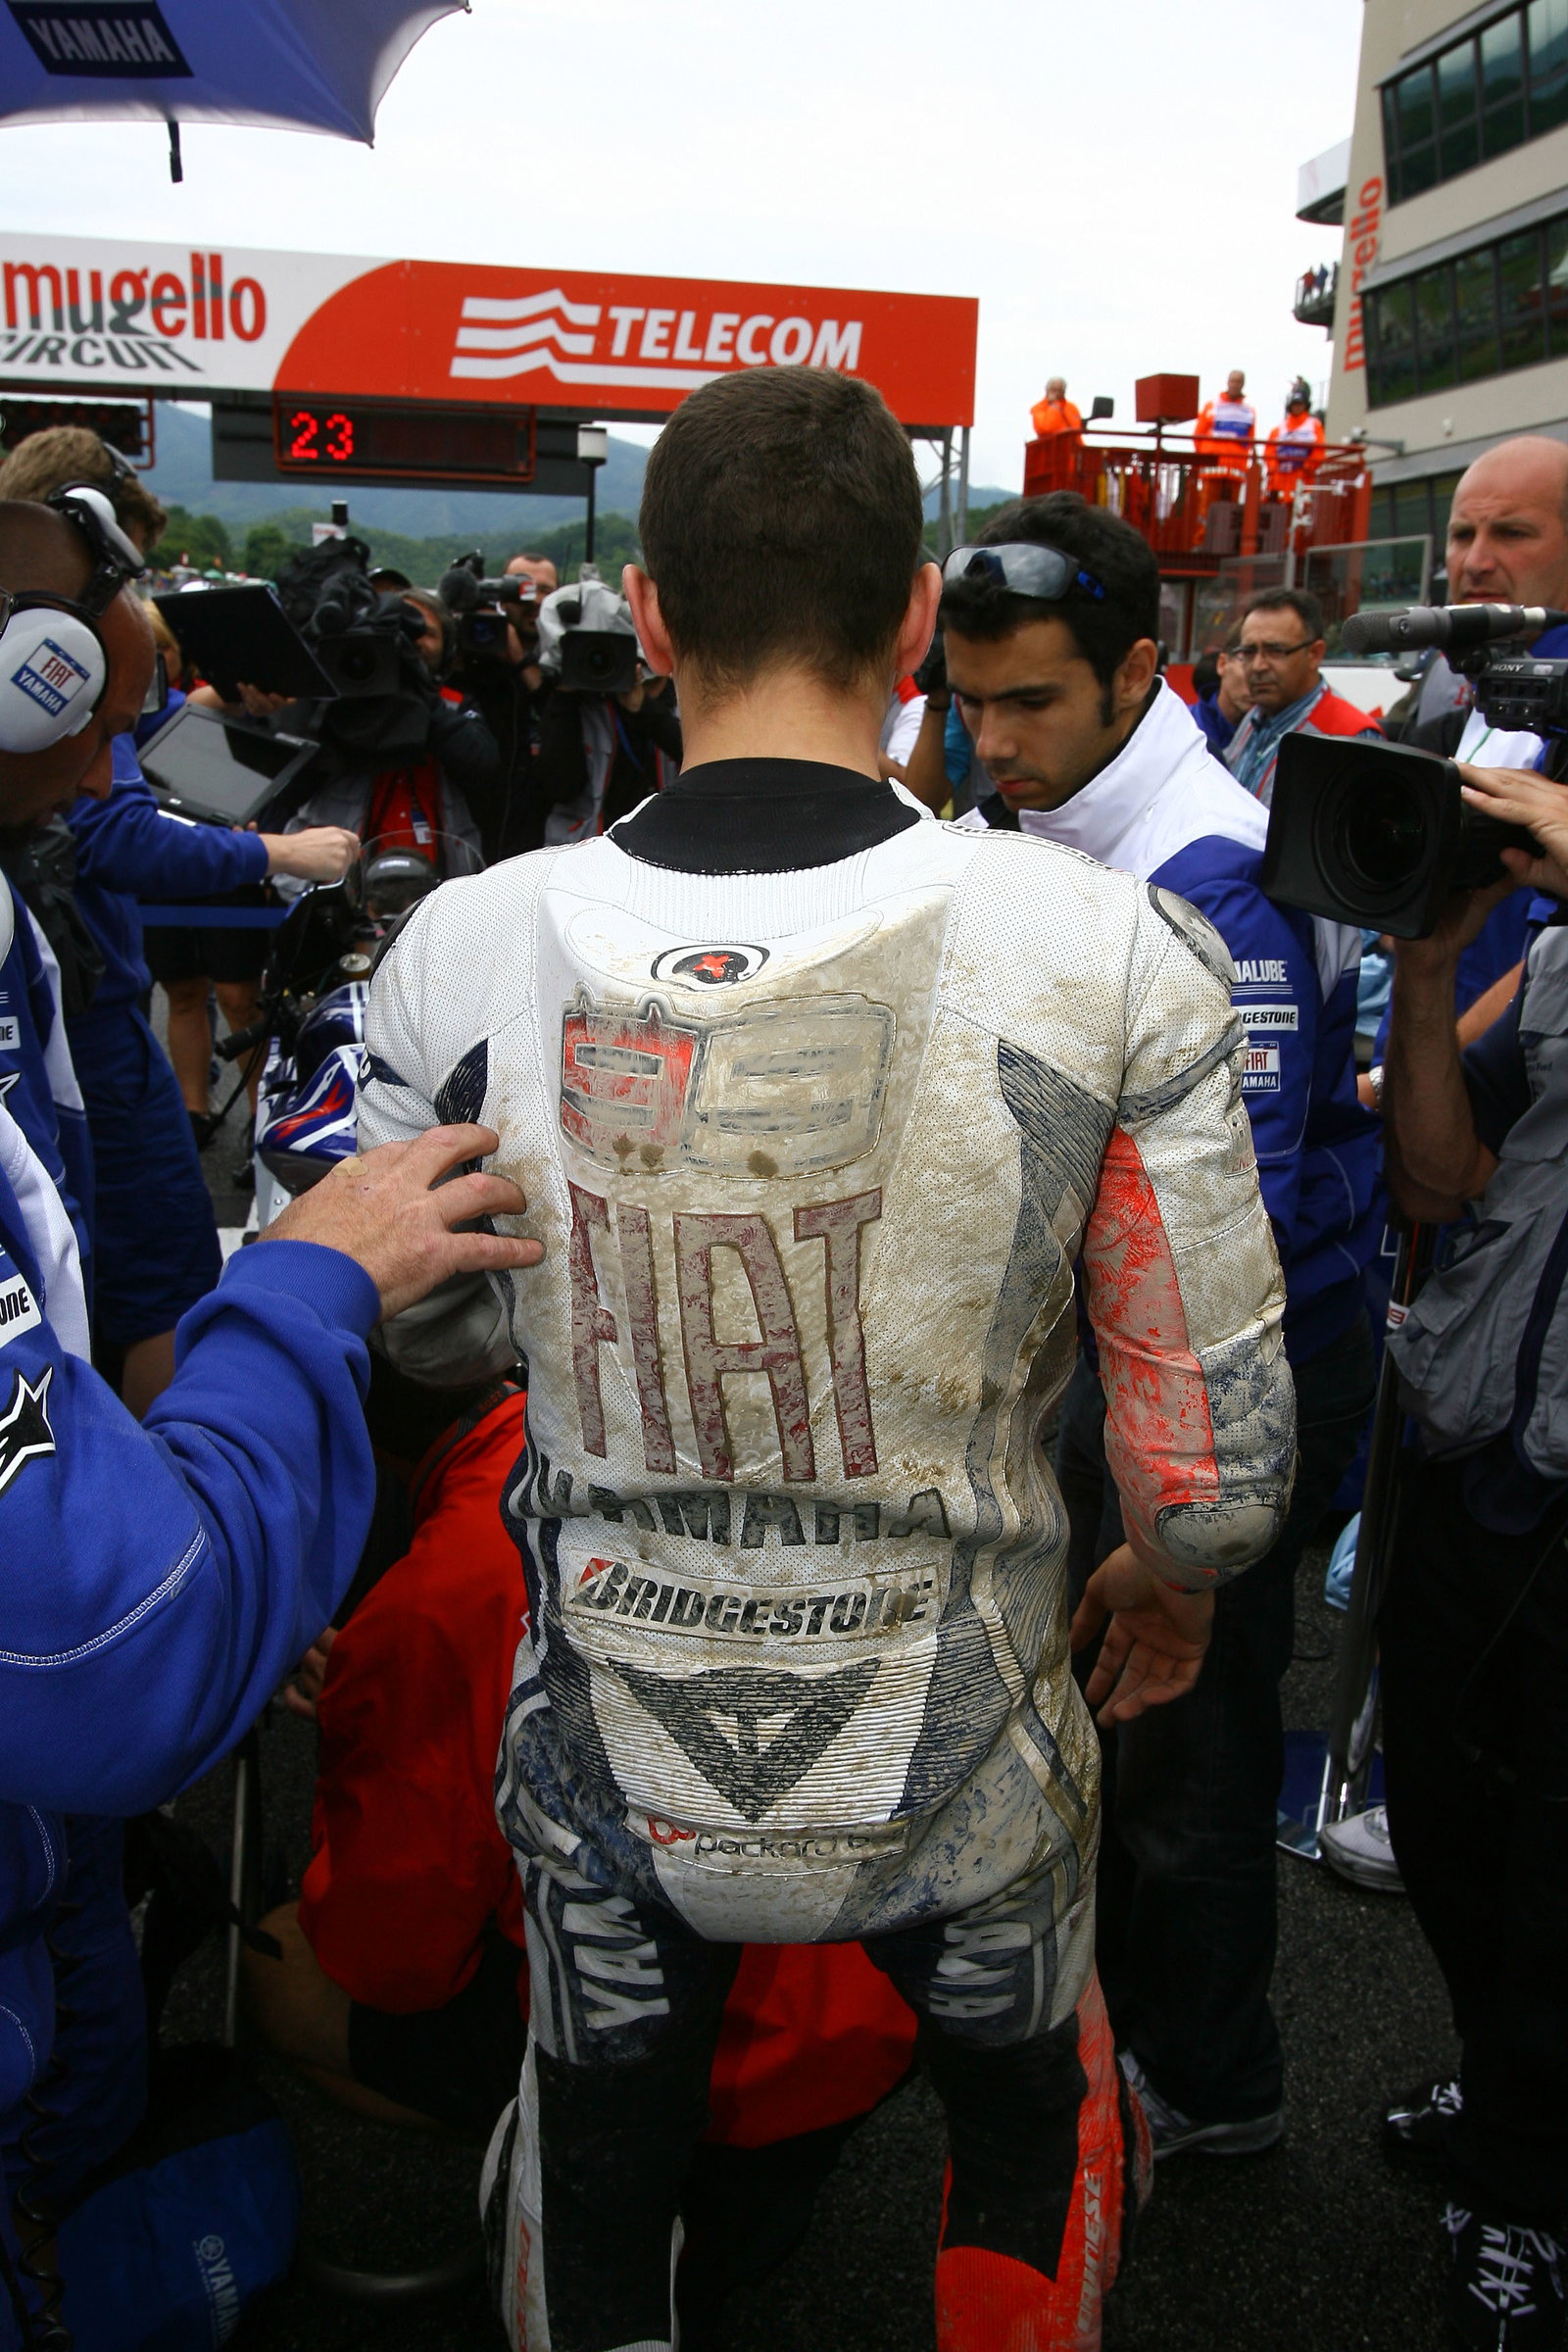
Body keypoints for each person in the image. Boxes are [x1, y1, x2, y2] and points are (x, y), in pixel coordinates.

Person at [356, 364, 1297, 2350]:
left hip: (611, 1745)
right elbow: (1213, 1478)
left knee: (595, 2159)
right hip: (972, 1739)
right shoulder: (1108, 949)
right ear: (911, 623)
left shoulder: (460, 950)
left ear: (655, 615)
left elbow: (422, 1331)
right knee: (1022, 2145)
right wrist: (1179, 1587)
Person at [0, 495, 545, 2345]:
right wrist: (307, 1289)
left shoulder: (33, 902)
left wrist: (220, 1474)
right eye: (115, 722)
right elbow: (112, 1638)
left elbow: (116, 1241)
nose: (118, 775)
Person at [940, 494, 1378, 2160]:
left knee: (1185, 1749)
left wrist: (1174, 1533)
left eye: (1031, 702)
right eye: (970, 704)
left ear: (1139, 672)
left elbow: (1221, 1255)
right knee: (1116, 1725)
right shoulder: (1058, 824)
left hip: (1235, 1364)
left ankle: (1213, 2092)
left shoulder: (1215, 879)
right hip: (1133, 1352)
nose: (993, 742)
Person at [246, 1368, 920, 2344]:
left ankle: (578, 2178)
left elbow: (389, 1961)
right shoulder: (648, 1418)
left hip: (700, 2051)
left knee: (277, 1965)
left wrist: (375, 1708)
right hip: (877, 1991)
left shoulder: (436, 1597)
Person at [1375, 758, 1568, 2347]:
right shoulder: (1555, 960)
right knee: (1448, 1828)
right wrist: (1431, 963)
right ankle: (1514, 2091)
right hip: (1477, 1454)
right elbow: (1439, 1172)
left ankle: (1526, 2196)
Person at [525, 573, 682, 847]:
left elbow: (696, 755)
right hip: (586, 852)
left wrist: (642, 707)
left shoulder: (680, 693)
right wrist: (565, 695)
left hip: (666, 843)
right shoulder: (576, 704)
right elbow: (562, 786)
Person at [1223, 585, 1382, 806]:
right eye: (1249, 652)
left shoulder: (1351, 736)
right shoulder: (1254, 719)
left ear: (1315, 654)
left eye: (1275, 651)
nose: (1258, 666)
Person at [1191, 623, 1252, 760]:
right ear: (1222, 664)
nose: (1257, 671)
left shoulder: (1271, 741)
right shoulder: (1183, 726)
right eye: (1247, 659)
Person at [1263, 379, 1326, 498]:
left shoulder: (1314, 425)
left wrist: (1307, 467)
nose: (1297, 407)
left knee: (1299, 512)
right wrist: (1273, 467)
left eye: (1300, 404)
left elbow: (1319, 451)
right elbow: (1269, 452)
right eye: (1294, 404)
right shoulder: (1279, 428)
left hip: (1301, 478)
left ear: (1305, 405)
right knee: (1277, 513)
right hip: (1279, 479)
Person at [1195, 370, 1256, 473]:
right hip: (1212, 465)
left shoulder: (1249, 411)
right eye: (1232, 381)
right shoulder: (1212, 406)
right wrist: (1204, 455)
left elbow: (1250, 439)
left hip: (1237, 465)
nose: (1235, 385)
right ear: (1227, 382)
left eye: (1238, 382)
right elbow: (1198, 435)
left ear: (1243, 384)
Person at [1030, 375, 1083, 441]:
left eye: (1060, 390)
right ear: (1047, 390)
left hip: (1074, 446)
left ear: (1064, 391)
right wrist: (1053, 406)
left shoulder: (1072, 407)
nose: (1057, 393)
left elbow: (1077, 428)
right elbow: (1046, 429)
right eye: (1054, 390)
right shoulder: (1038, 408)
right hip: (1051, 447)